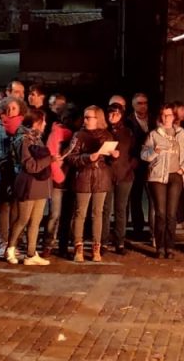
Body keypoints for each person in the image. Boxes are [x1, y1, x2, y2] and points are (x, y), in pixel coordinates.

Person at [141, 105, 184, 259]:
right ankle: (160, 247)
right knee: (161, 213)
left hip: (175, 176)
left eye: (169, 115)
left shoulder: (181, 133)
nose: (166, 118)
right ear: (160, 117)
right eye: (163, 115)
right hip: (157, 177)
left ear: (173, 117)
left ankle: (170, 247)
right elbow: (144, 154)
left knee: (171, 214)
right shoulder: (154, 134)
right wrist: (153, 152)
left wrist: (183, 169)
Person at [68, 106, 115, 263]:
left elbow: (109, 159)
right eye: (85, 117)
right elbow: (71, 157)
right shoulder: (78, 135)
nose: (86, 120)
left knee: (98, 213)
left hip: (101, 177)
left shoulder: (106, 135)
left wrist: (114, 155)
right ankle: (78, 248)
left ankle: (96, 248)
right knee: (80, 213)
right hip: (83, 177)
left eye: (89, 117)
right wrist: (88, 158)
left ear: (98, 119)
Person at [10, 110, 54, 266]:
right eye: (43, 121)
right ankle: (10, 249)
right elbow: (30, 165)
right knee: (22, 219)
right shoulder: (24, 139)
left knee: (36, 221)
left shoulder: (36, 138)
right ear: (36, 122)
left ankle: (31, 253)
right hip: (29, 184)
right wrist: (49, 160)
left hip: (40, 184)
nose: (45, 124)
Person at [0, 98, 25, 252]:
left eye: (14, 108)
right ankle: (3, 242)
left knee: (17, 208)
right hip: (1, 171)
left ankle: (14, 242)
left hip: (18, 171)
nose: (10, 111)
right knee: (3, 207)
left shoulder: (23, 127)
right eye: (8, 108)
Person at [103, 103, 137, 254]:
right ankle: (102, 242)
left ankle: (120, 242)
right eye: (110, 114)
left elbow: (136, 154)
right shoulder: (104, 132)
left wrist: (128, 167)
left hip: (125, 176)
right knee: (105, 209)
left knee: (120, 209)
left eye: (116, 114)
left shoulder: (128, 132)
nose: (112, 117)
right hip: (106, 176)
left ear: (122, 115)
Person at [42, 115, 73, 258]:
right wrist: (59, 176)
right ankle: (48, 244)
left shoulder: (77, 135)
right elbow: (51, 158)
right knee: (55, 214)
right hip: (57, 180)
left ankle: (63, 246)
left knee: (66, 216)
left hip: (71, 180)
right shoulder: (56, 134)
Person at [125, 93, 152, 241]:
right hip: (136, 164)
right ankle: (138, 229)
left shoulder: (154, 120)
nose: (143, 106)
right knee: (135, 197)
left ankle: (154, 230)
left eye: (145, 103)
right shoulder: (128, 122)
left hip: (151, 164)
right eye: (140, 103)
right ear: (133, 105)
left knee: (153, 198)